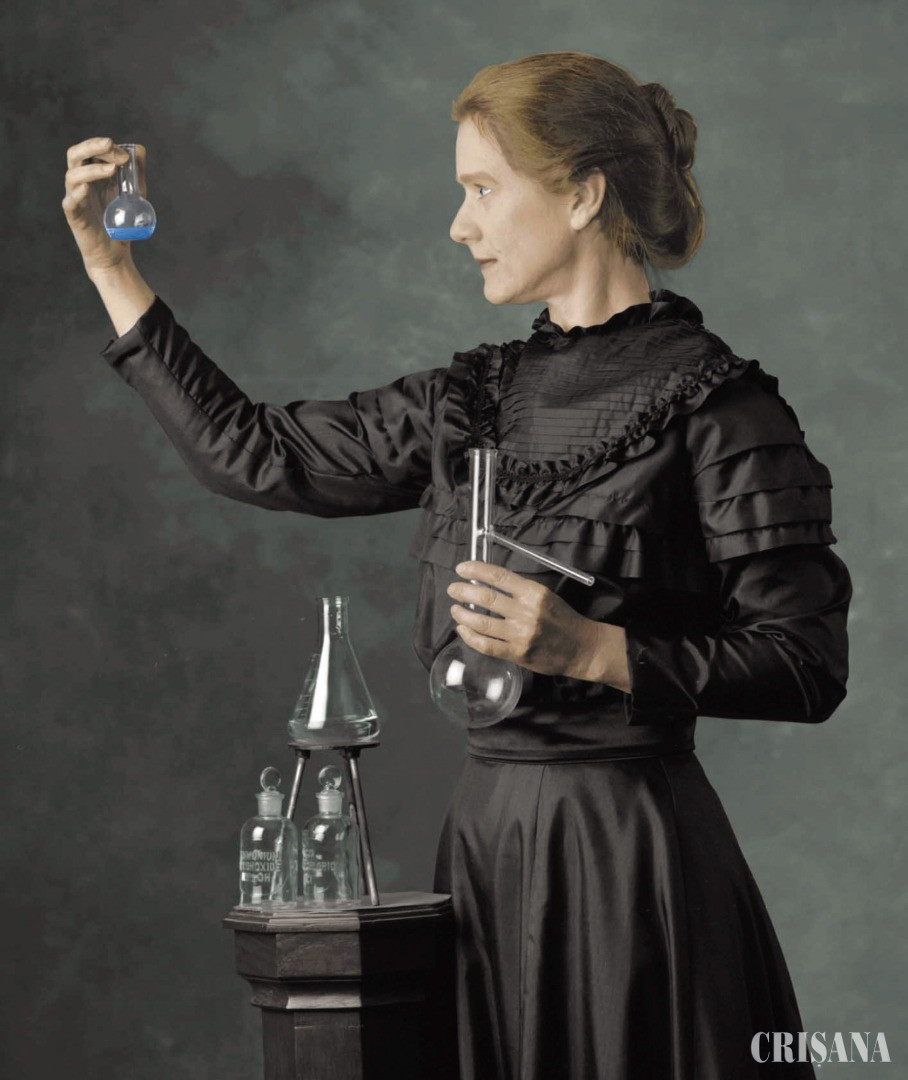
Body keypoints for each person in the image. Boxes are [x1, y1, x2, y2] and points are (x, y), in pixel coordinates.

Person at [62, 51, 850, 1080]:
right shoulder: (469, 400)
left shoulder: (722, 409)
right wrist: (111, 269)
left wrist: (590, 649)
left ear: (582, 195)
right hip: (482, 846)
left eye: (482, 189)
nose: (458, 224)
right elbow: (254, 451)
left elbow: (805, 666)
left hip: (632, 859)